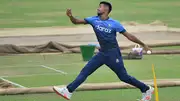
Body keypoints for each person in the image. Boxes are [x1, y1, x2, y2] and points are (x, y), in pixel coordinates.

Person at [53, 1, 154, 101]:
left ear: (106, 9)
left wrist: (143, 44)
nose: (98, 8)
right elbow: (76, 22)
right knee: (85, 71)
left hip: (113, 54)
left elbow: (129, 36)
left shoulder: (115, 24)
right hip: (102, 54)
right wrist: (70, 16)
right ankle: (68, 91)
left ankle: (146, 89)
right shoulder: (93, 19)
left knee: (124, 77)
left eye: (100, 7)